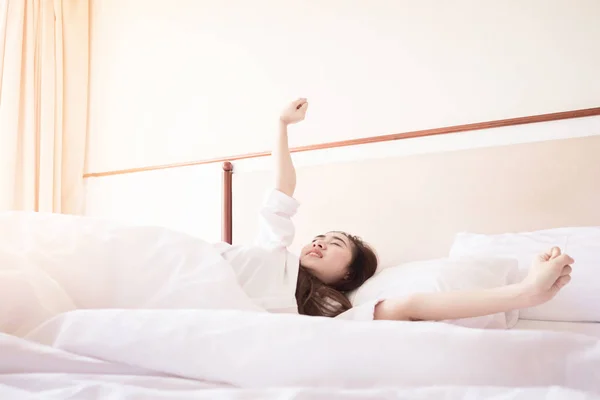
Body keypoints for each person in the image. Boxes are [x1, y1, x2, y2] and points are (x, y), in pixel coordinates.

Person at [216, 98, 575, 323]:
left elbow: (411, 306)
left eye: (335, 244)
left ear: (347, 276)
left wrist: (525, 293)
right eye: (319, 238)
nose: (319, 243)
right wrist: (281, 125)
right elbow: (282, 188)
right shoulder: (273, 250)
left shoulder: (330, 312)